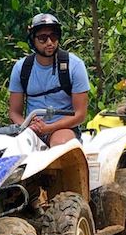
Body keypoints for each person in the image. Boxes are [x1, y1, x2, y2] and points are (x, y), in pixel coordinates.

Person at [7, 13, 91, 145]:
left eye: (53, 36)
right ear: (32, 40)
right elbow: (14, 112)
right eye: (42, 38)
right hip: (30, 130)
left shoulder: (74, 65)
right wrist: (27, 127)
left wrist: (49, 128)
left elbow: (80, 114)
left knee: (60, 145)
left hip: (63, 128)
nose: (49, 42)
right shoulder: (21, 68)